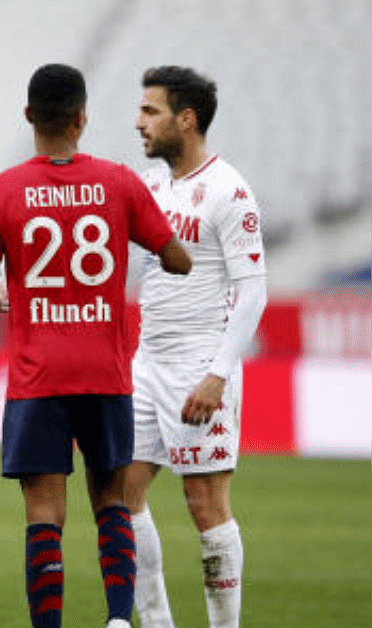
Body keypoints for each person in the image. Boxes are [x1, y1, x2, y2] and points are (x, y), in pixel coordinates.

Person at [0, 63, 190, 628]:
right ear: (82, 118)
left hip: (39, 377)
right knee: (112, 502)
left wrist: (2, 298)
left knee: (44, 514)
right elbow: (176, 259)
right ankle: (118, 620)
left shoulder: (0, 191)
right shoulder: (119, 182)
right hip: (105, 372)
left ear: (29, 117)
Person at [126, 66, 267, 628]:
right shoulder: (149, 185)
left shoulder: (229, 190)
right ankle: (157, 623)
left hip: (197, 366)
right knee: (120, 496)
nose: (139, 123)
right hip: (144, 364)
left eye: (150, 111)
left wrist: (217, 374)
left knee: (204, 506)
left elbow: (252, 289)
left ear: (186, 120)